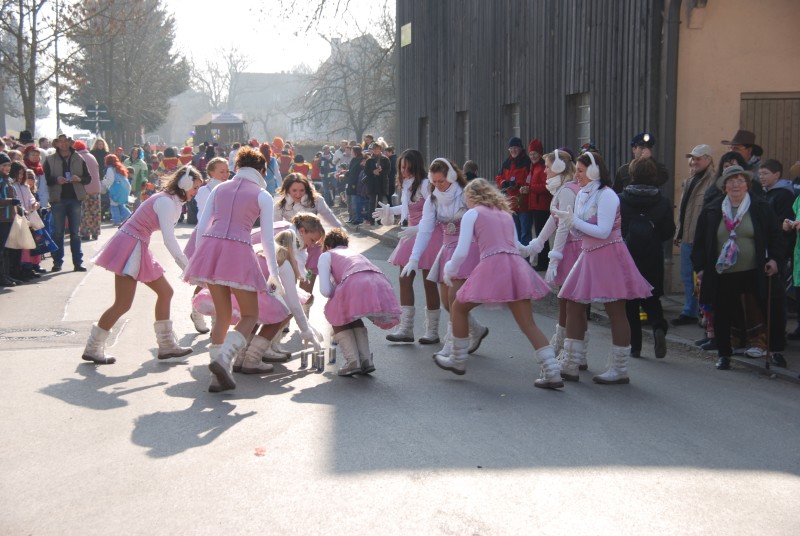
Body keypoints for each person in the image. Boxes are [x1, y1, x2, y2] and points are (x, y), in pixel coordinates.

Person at [432, 178, 559, 386]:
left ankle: (457, 359)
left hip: (492, 265)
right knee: (528, 323)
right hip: (515, 267)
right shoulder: (505, 214)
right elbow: (519, 248)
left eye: (466, 199)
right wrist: (535, 245)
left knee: (458, 308)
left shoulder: (472, 214)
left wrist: (449, 268)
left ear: (471, 196)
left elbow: (461, 251)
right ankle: (553, 371)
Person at [183, 147, 284, 392]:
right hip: (239, 251)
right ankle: (224, 358)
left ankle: (218, 376)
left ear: (237, 167)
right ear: (262, 170)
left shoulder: (219, 188)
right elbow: (268, 239)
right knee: (250, 314)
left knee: (222, 315)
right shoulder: (262, 195)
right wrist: (274, 273)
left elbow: (202, 226)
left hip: (211, 249)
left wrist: (201, 257)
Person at [81, 165, 203, 365]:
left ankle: (166, 345)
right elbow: (169, 240)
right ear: (184, 184)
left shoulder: (169, 200)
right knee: (124, 303)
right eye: (195, 187)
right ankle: (94, 348)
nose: (196, 192)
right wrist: (187, 267)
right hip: (132, 245)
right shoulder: (166, 201)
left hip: (134, 243)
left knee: (162, 293)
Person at [552, 151, 652, 384]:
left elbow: (603, 231)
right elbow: (581, 232)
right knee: (573, 304)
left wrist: (573, 221)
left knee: (615, 311)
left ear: (594, 170)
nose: (576, 175)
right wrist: (570, 223)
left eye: (580, 170)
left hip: (609, 255)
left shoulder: (607, 195)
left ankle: (619, 369)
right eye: (576, 170)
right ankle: (571, 363)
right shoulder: (582, 194)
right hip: (588, 254)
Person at [692, 165, 783, 371]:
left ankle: (775, 351)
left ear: (747, 185)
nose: (736, 185)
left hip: (755, 270)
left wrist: (775, 260)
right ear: (724, 186)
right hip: (723, 272)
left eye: (740, 181)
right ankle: (724, 354)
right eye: (731, 181)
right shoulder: (712, 210)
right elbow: (700, 242)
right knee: (722, 313)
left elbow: (775, 235)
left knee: (770, 309)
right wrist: (700, 268)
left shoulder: (760, 207)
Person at [401, 158, 490, 360]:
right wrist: (414, 259)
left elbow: (486, 220)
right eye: (434, 181)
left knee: (454, 297)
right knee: (448, 303)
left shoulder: (465, 195)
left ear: (451, 176)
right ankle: (476, 330)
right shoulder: (433, 199)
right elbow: (425, 229)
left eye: (441, 181)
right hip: (448, 250)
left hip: (469, 248)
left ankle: (453, 345)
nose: (438, 185)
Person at [373, 149, 442, 344]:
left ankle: (432, 331)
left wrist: (418, 228)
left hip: (429, 234)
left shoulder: (426, 184)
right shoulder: (405, 184)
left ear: (416, 167)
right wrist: (389, 210)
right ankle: (406, 328)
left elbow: (435, 213)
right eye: (402, 168)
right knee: (404, 279)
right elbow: (407, 208)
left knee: (429, 281)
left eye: (408, 168)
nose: (404, 171)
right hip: (410, 233)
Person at [524, 149, 585, 364]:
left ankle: (571, 351)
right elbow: (554, 219)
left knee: (570, 301)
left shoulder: (567, 190)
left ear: (559, 168)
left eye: (548, 167)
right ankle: (568, 348)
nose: (545, 171)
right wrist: (538, 243)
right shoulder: (563, 189)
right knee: (567, 300)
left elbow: (563, 227)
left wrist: (555, 258)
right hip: (570, 247)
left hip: (571, 248)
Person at [318, 228, 401, 376]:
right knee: (353, 316)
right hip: (378, 281)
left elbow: (325, 290)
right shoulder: (353, 253)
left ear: (328, 245)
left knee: (336, 316)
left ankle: (352, 361)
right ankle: (366, 359)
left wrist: (335, 295)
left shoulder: (327, 255)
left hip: (354, 281)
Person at [619, 157, 675, 359]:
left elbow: (615, 226)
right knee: (651, 296)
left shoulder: (621, 199)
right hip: (652, 254)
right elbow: (669, 231)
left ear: (632, 174)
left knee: (630, 301)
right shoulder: (662, 201)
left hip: (627, 254)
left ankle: (635, 346)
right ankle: (658, 327)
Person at [273, 172, 343, 302]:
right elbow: (274, 227)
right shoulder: (280, 204)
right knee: (289, 290)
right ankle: (289, 314)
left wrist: (342, 234)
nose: (298, 194)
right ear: (287, 189)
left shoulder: (316, 200)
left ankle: (305, 313)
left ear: (307, 189)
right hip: (290, 249)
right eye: (294, 190)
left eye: (302, 190)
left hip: (312, 248)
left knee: (306, 292)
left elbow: (330, 218)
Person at [184, 156, 230, 335]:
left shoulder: (230, 187)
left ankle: (216, 320)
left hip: (224, 237)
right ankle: (197, 310)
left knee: (220, 280)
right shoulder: (205, 190)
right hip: (207, 236)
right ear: (211, 172)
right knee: (206, 280)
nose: (225, 175)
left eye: (227, 171)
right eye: (221, 171)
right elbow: (206, 215)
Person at [672, 144, 715, 326]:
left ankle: (702, 312)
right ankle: (690, 310)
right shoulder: (690, 180)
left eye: (698, 158)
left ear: (708, 159)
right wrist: (679, 233)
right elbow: (684, 211)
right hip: (687, 237)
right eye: (693, 158)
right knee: (687, 276)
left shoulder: (713, 182)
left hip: (701, 240)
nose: (694, 162)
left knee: (701, 278)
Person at [43, 133, 92, 272]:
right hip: (58, 199)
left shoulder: (79, 158)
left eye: (66, 141)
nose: (63, 144)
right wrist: (56, 180)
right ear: (56, 143)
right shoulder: (50, 159)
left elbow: (88, 178)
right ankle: (57, 262)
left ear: (70, 143)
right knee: (58, 232)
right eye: (61, 141)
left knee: (75, 233)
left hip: (75, 198)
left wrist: (79, 179)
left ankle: (78, 263)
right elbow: (45, 179)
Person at [495, 137, 532, 250]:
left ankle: (525, 256)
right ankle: (517, 255)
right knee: (515, 232)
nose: (513, 150)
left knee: (525, 232)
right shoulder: (507, 162)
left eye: (515, 148)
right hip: (511, 203)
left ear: (520, 148)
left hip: (524, 203)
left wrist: (518, 184)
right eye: (511, 148)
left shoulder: (527, 162)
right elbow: (498, 177)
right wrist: (503, 183)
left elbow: (530, 178)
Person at [526, 138, 552, 270]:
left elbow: (546, 186)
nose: (533, 156)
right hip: (535, 205)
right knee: (539, 233)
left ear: (540, 154)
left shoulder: (542, 168)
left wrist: (531, 188)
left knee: (542, 235)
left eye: (535, 154)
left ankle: (543, 262)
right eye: (531, 154)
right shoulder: (533, 167)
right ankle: (542, 261)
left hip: (542, 206)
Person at [0, 152, 22, 286]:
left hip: (10, 219)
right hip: (2, 220)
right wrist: (9, 202)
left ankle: (7, 275)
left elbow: (15, 198)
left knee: (8, 249)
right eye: (3, 165)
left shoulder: (8, 180)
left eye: (8, 165)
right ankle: (2, 278)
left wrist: (19, 209)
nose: (6, 168)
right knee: (2, 249)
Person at [73, 141, 101, 241]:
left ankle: (85, 233)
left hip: (83, 188)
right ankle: (95, 232)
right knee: (95, 211)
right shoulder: (92, 157)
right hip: (95, 188)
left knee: (84, 212)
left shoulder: (77, 158)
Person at [102, 154, 132, 226]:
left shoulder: (110, 169)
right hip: (125, 188)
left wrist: (102, 182)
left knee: (114, 205)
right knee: (121, 205)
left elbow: (110, 181)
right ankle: (130, 218)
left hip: (116, 190)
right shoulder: (120, 168)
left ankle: (117, 221)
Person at [364, 143, 390, 224]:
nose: (376, 150)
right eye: (374, 148)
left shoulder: (385, 159)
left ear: (380, 149)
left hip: (381, 182)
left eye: (377, 148)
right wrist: (373, 172)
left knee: (380, 202)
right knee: (372, 201)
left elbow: (388, 171)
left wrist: (381, 172)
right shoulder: (369, 160)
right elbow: (366, 171)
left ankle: (379, 220)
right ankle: (371, 220)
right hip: (372, 183)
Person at [23, 145, 47, 210]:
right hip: (25, 200)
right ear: (27, 156)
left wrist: (43, 205)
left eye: (37, 155)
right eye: (33, 155)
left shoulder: (41, 170)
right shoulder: (22, 168)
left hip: (38, 201)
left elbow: (43, 188)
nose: (35, 157)